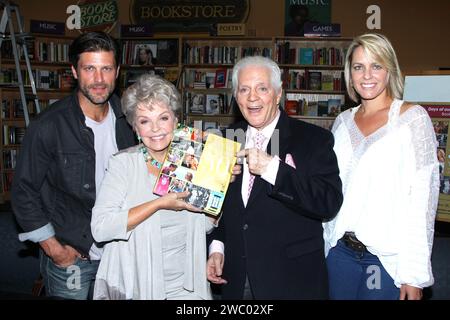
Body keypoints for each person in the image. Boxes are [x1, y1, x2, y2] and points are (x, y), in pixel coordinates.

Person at [10, 31, 136, 299]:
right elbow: (23, 192)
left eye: (106, 69)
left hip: (121, 253)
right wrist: (54, 249)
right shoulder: (48, 126)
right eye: (89, 68)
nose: (99, 80)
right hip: (72, 254)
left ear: (117, 71)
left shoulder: (131, 119)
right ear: (74, 71)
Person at [207, 56, 343, 299]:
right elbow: (221, 208)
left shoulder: (313, 139)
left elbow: (328, 202)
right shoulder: (226, 139)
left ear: (278, 94)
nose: (252, 97)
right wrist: (217, 248)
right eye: (244, 89)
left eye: (262, 88)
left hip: (291, 280)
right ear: (236, 97)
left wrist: (274, 170)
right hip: (237, 277)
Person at [323, 33, 439, 300]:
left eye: (376, 66)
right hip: (339, 252)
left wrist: (414, 274)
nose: (367, 75)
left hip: (386, 259)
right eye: (358, 67)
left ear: (390, 70)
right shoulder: (342, 122)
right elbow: (330, 186)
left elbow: (423, 201)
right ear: (349, 73)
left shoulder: (412, 119)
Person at [90, 74, 216, 300]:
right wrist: (159, 203)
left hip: (187, 285)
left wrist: (219, 190)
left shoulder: (190, 158)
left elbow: (204, 225)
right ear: (135, 128)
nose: (156, 129)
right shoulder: (123, 164)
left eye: (163, 118)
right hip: (136, 285)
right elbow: (101, 228)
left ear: (176, 120)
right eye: (145, 121)